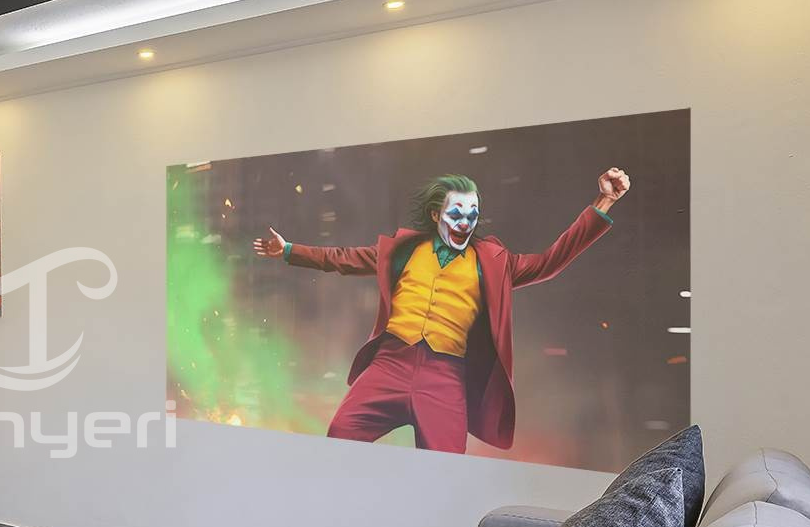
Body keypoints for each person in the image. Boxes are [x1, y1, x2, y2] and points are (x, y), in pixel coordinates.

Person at [252, 168, 630, 453]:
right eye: (456, 214)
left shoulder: (493, 262)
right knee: (340, 436)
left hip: (446, 378)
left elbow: (551, 261)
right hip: (389, 365)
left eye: (472, 214)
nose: (465, 223)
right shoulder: (403, 250)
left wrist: (604, 203)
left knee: (444, 467)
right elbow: (343, 258)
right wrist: (288, 250)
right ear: (436, 215)